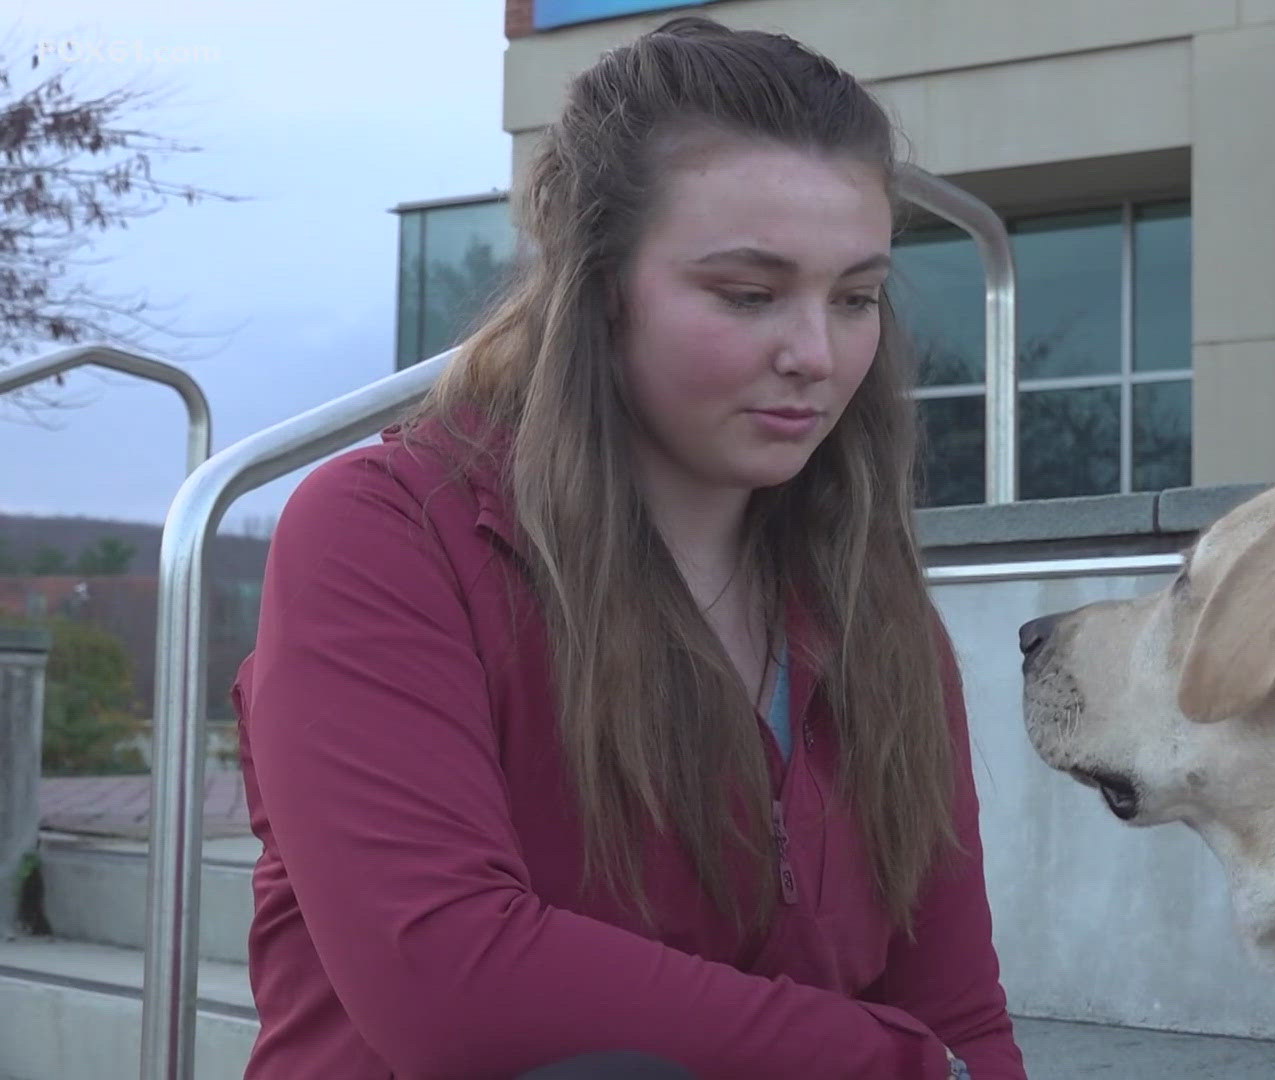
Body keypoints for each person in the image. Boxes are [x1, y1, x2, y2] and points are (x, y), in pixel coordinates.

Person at [231, 16, 1026, 1079]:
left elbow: (962, 1016)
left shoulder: (875, 618)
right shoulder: (385, 537)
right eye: (749, 294)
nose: (816, 354)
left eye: (856, 298)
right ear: (600, 288)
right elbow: (453, 985)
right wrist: (895, 1063)